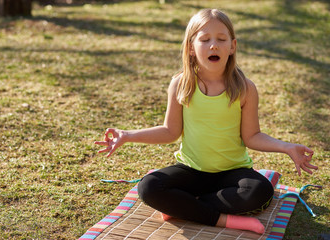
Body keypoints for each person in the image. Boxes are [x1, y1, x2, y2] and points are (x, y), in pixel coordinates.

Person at [94, 8, 318, 234]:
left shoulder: (245, 88)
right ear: (191, 48)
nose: (214, 45)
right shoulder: (180, 84)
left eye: (221, 39)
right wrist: (128, 136)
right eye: (205, 39)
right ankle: (224, 220)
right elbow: (170, 131)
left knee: (260, 192)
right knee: (149, 187)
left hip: (232, 173)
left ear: (232, 47)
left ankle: (183, 206)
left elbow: (252, 136)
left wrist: (286, 147)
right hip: (191, 170)